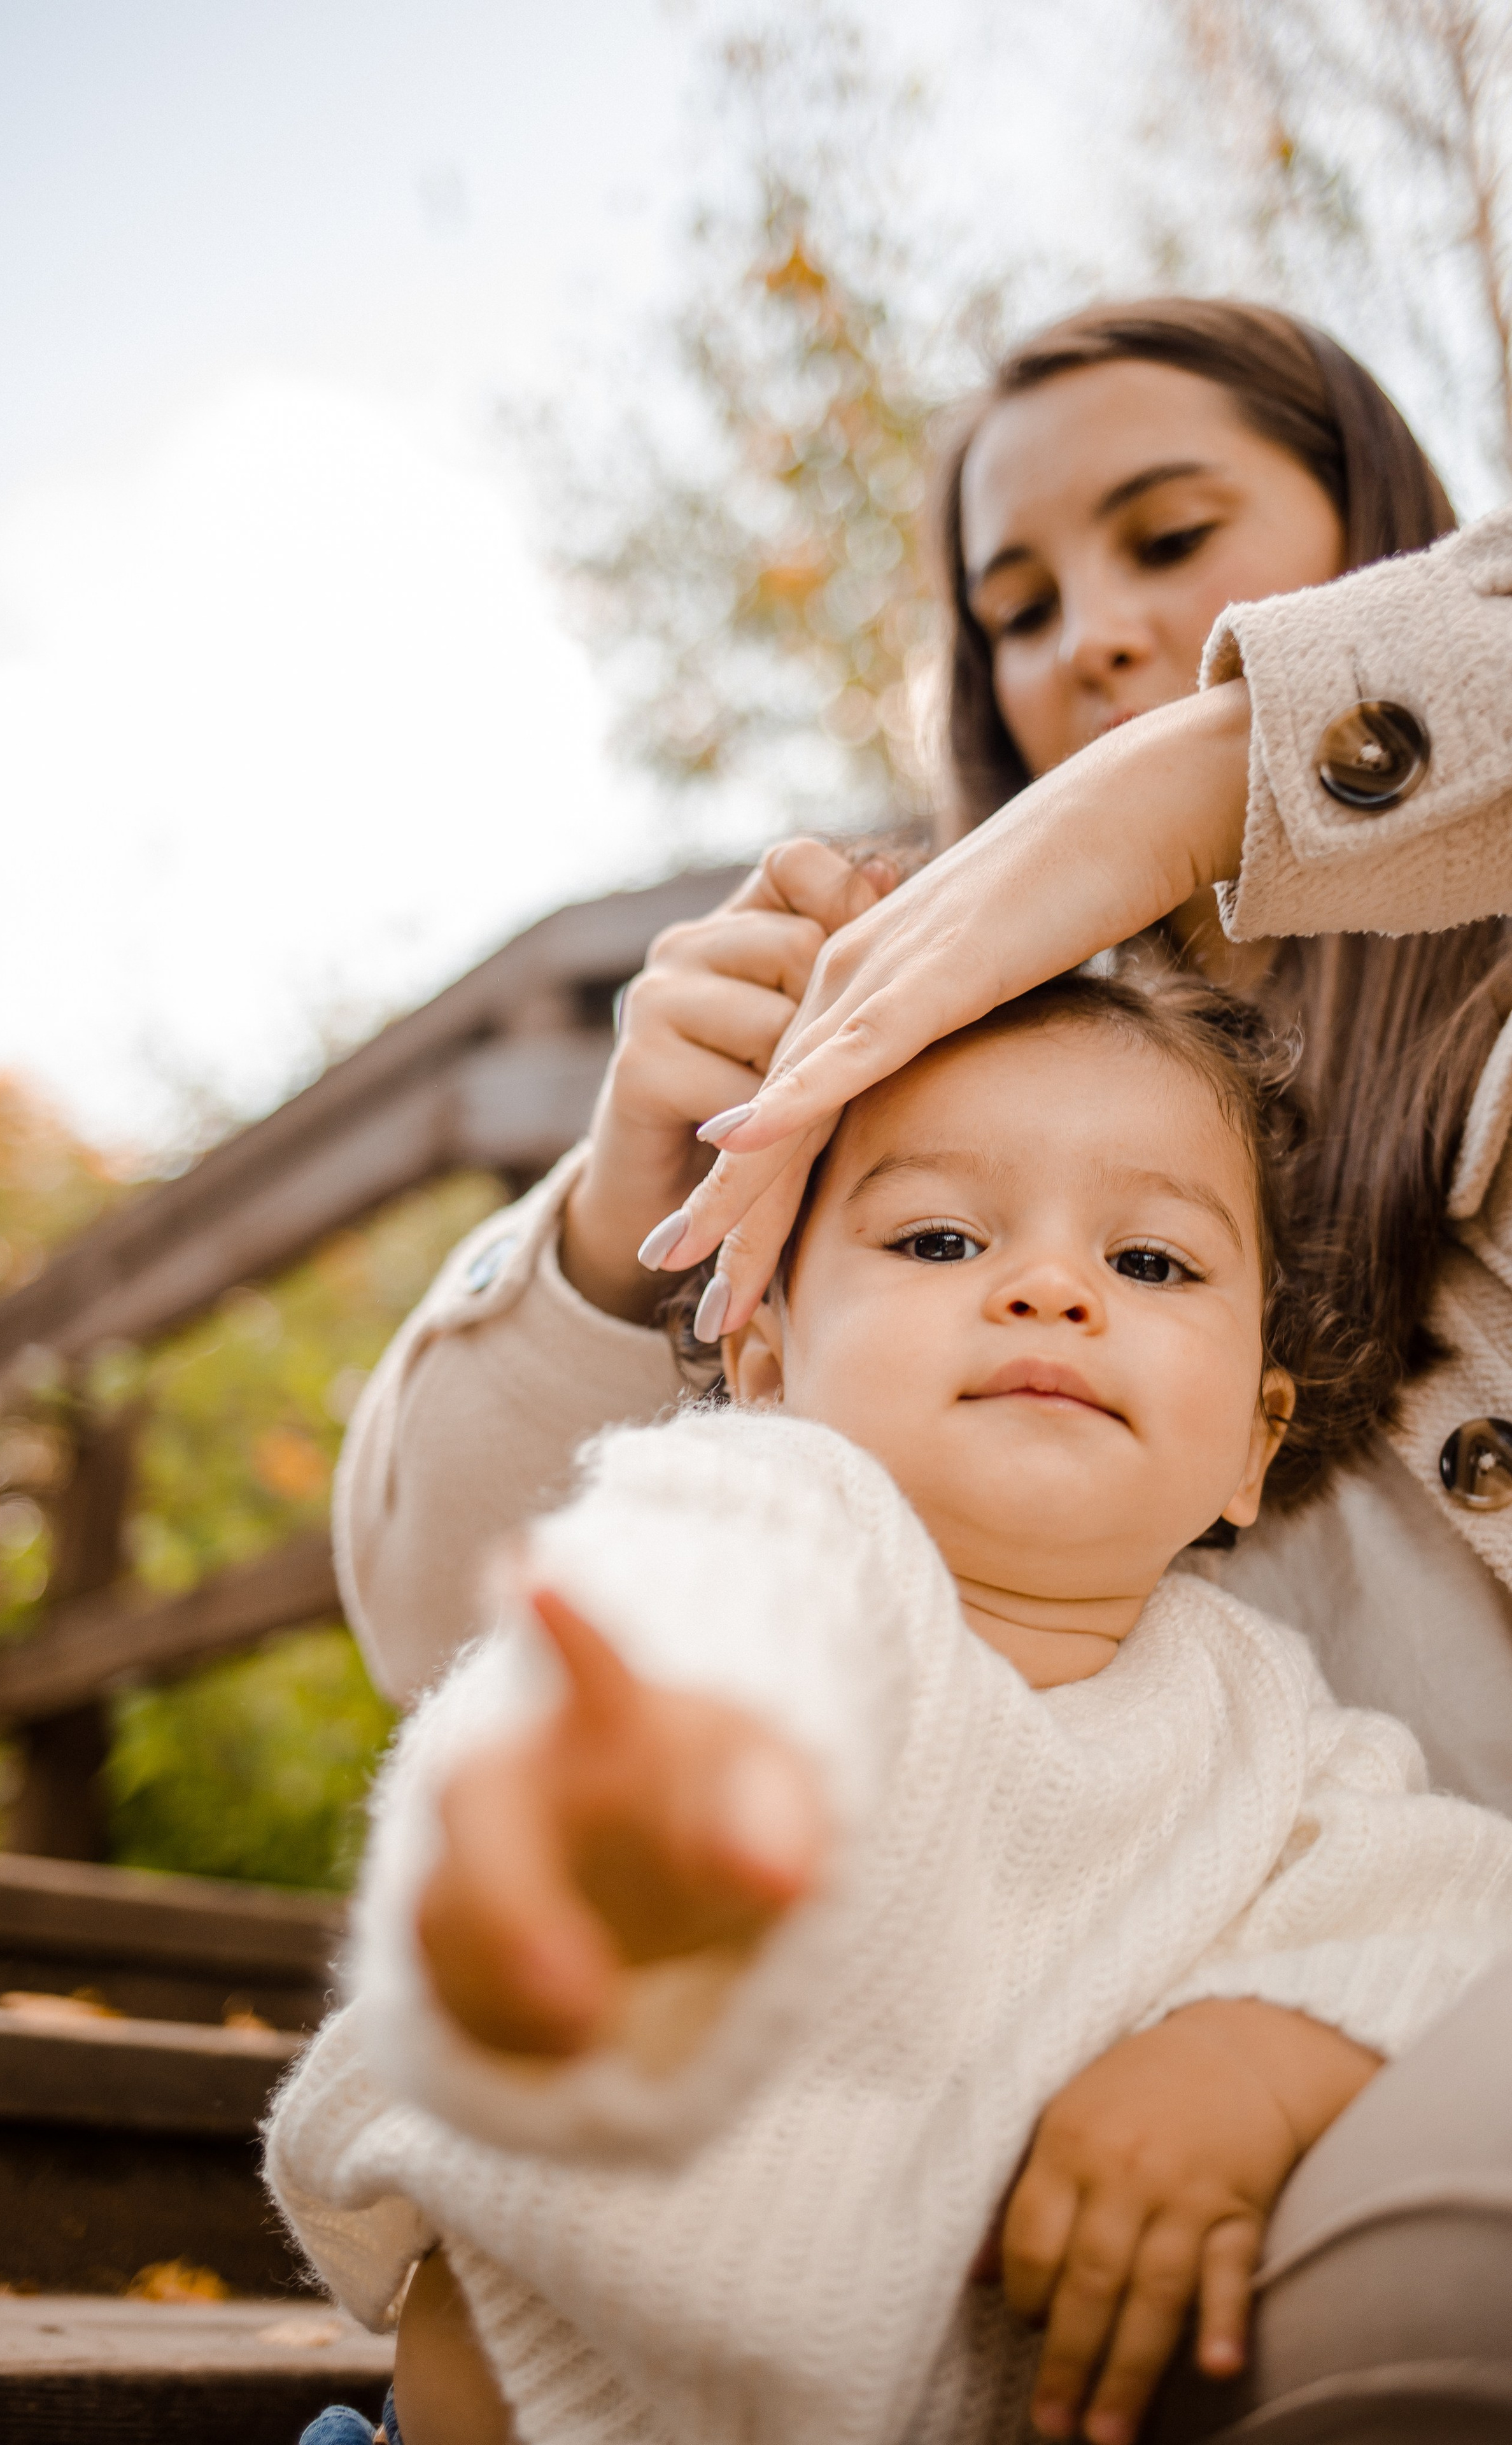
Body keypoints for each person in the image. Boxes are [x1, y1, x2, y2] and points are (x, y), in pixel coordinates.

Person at [329, 302, 1512, 2438]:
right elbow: (515, 1630)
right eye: (1019, 607)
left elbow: (1427, 1879)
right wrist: (635, 1221)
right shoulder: (796, 1479)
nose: (1098, 640)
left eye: (1174, 538)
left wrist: (1226, 773)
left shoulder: (1282, 1749)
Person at [272, 974, 1512, 2445]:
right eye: (937, 1238)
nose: (1052, 1288)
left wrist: (1244, 2058)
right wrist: (610, 1822)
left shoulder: (1271, 1735)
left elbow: (1442, 1906)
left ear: (1252, 1444)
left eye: (1152, 1262)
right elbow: (649, 1647)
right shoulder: (767, 1534)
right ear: (765, 1366)